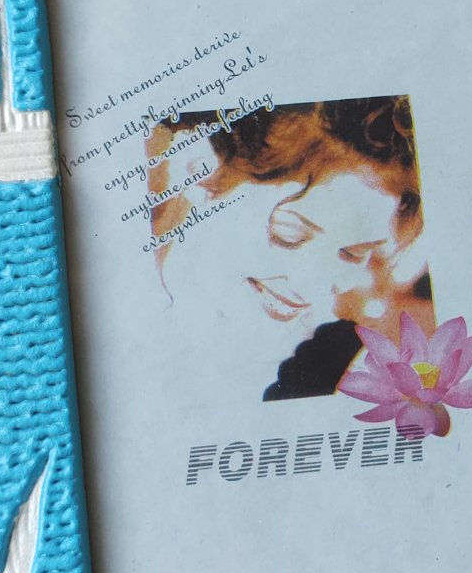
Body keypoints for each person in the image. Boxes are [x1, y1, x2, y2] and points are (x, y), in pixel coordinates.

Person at [146, 97, 433, 398]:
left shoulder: (329, 370)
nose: (313, 286)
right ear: (196, 169)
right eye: (290, 235)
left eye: (353, 254)